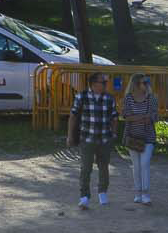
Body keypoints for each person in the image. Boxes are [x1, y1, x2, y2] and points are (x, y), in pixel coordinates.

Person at [68, 75, 117, 210]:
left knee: (104, 167)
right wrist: (70, 136)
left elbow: (114, 117)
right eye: (103, 82)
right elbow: (73, 116)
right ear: (94, 84)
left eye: (105, 83)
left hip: (104, 139)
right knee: (86, 168)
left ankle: (102, 192)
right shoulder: (81, 97)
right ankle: (84, 196)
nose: (105, 85)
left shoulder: (109, 98)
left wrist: (113, 134)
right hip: (87, 138)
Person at [117, 73, 159, 206]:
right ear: (135, 84)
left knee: (145, 164)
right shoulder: (128, 98)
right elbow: (125, 116)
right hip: (132, 137)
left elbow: (154, 117)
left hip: (148, 137)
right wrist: (143, 116)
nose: (147, 85)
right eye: (143, 83)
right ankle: (138, 192)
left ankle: (146, 193)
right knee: (136, 166)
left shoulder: (152, 98)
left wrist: (138, 117)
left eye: (147, 82)